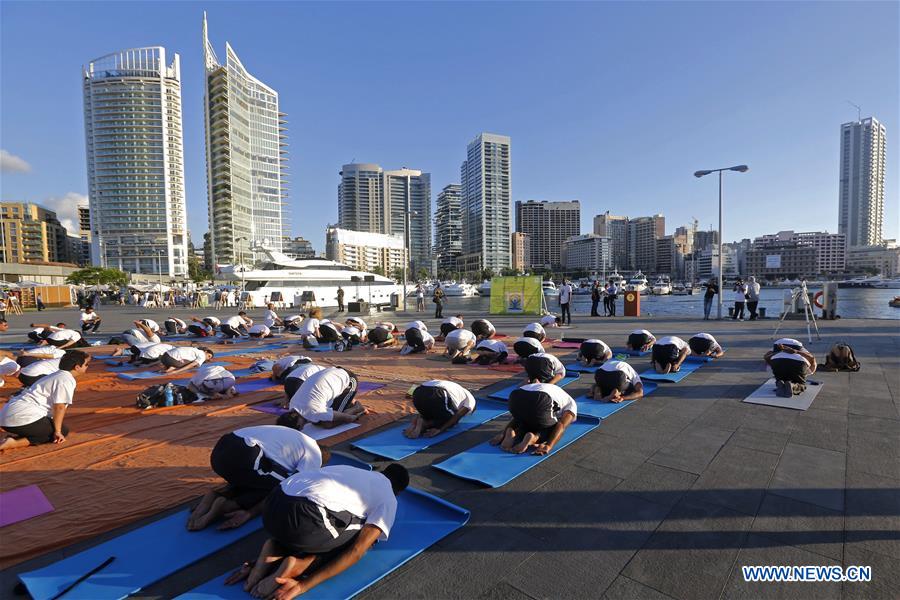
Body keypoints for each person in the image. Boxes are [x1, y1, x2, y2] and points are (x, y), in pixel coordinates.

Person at [229, 464, 409, 599]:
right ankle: (298, 565)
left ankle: (275, 549)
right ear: (398, 492)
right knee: (367, 538)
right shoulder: (389, 497)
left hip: (271, 508)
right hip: (305, 518)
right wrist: (302, 586)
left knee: (324, 520)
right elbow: (357, 551)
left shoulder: (348, 469)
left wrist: (253, 563)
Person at [187, 426, 329, 531]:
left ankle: (219, 494)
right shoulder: (314, 455)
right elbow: (293, 488)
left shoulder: (298, 438)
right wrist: (250, 513)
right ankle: (227, 506)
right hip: (244, 453)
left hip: (221, 450)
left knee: (259, 479)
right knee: (282, 488)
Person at [0, 350, 91, 451]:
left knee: (48, 425)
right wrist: (58, 431)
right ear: (77, 367)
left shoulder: (55, 375)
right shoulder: (66, 379)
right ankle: (13, 443)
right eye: (86, 364)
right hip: (18, 418)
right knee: (62, 431)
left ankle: (19, 433)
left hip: (6, 416)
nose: (88, 366)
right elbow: (59, 406)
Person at [490, 382, 577, 455]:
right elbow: (561, 425)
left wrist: (503, 433)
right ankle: (533, 438)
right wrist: (549, 445)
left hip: (516, 395)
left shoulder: (557, 392)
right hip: (541, 398)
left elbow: (517, 418)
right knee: (552, 427)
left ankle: (511, 432)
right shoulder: (572, 406)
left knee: (526, 419)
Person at [277, 367, 367, 429]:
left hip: (348, 380)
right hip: (333, 374)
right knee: (320, 421)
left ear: (299, 424)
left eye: (300, 428)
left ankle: (357, 407)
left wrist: (354, 416)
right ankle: (347, 401)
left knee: (328, 424)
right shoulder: (293, 405)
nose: (303, 428)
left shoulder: (314, 411)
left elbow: (347, 418)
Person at [404, 380, 476, 439]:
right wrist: (440, 430)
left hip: (418, 392)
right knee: (450, 420)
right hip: (438, 393)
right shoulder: (471, 400)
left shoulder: (457, 388)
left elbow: (423, 388)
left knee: (432, 413)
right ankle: (424, 424)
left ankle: (421, 418)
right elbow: (458, 415)